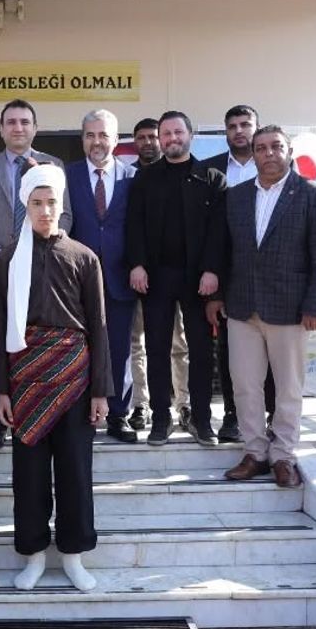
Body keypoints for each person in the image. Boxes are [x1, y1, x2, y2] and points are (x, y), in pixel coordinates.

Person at [0, 164, 112, 592]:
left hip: (75, 379)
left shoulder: (84, 257)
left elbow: (98, 326)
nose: (45, 210)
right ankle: (33, 556)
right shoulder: (7, 259)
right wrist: (2, 389)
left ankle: (74, 556)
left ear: (62, 205)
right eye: (37, 203)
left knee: (75, 470)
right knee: (29, 474)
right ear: (25, 206)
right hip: (24, 380)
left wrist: (100, 390)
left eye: (51, 202)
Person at [216, 125, 316, 489]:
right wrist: (217, 297)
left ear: (288, 151)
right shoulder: (236, 196)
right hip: (242, 307)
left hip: (291, 308)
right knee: (244, 384)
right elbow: (225, 251)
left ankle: (283, 455)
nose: (268, 153)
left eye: (276, 147)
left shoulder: (315, 195)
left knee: (288, 387)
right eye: (261, 148)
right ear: (253, 154)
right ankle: (254, 452)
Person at [0, 99, 67, 450]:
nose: (18, 127)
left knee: (33, 341)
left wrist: (43, 256)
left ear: (35, 128)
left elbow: (65, 216)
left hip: (42, 273)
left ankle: (36, 410)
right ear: (1, 129)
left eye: (25, 121)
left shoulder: (54, 166)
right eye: (11, 122)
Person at [126, 111, 227, 446]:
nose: (172, 138)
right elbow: (134, 225)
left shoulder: (211, 178)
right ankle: (160, 419)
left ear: (190, 135)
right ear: (160, 139)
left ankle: (201, 420)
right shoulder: (144, 179)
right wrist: (137, 264)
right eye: (166, 133)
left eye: (177, 132)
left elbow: (218, 231)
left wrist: (212, 270)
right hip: (156, 278)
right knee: (156, 349)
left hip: (198, 280)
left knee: (201, 351)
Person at [201, 105, 275, 442]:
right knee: (231, 352)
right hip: (229, 276)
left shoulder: (277, 167)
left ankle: (272, 416)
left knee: (272, 351)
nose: (239, 131)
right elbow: (208, 234)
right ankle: (233, 415)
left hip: (273, 278)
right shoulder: (209, 171)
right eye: (232, 126)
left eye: (246, 125)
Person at [64, 110, 139, 443]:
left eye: (104, 135)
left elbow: (140, 227)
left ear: (116, 139)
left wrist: (138, 264)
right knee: (79, 348)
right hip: (76, 280)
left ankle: (118, 415)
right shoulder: (67, 176)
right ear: (82, 139)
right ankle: (82, 414)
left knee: (119, 348)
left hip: (121, 277)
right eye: (90, 135)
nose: (97, 141)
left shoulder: (133, 178)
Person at [126, 117, 189, 432]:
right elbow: (130, 225)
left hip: (177, 277)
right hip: (139, 275)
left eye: (153, 136)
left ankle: (184, 403)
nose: (148, 142)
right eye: (142, 137)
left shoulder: (184, 173)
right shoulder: (129, 176)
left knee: (180, 342)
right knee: (138, 343)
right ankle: (141, 404)